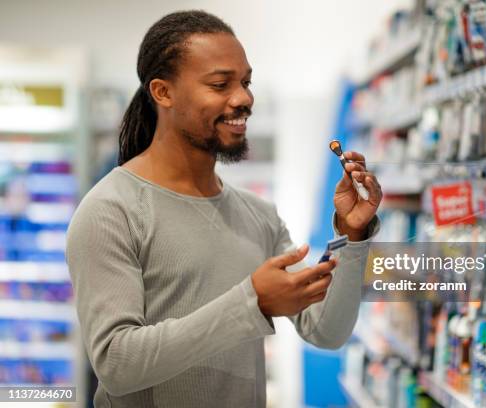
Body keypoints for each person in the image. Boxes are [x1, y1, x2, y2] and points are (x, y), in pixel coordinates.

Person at [66, 10, 382, 408]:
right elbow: (116, 363)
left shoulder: (259, 215)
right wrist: (251, 302)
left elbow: (326, 331)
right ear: (163, 93)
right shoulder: (111, 210)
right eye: (220, 84)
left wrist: (352, 238)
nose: (244, 98)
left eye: (245, 82)